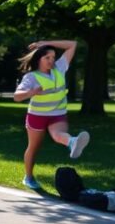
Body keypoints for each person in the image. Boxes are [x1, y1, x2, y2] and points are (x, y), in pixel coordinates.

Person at [14, 39, 90, 190]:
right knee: (34, 147)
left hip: (57, 113)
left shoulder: (60, 68)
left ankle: (73, 142)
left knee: (58, 134)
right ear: (39, 59)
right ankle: (28, 177)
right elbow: (17, 96)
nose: (51, 60)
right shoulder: (31, 77)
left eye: (53, 57)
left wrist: (46, 43)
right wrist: (31, 92)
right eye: (47, 57)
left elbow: (72, 44)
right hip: (37, 115)